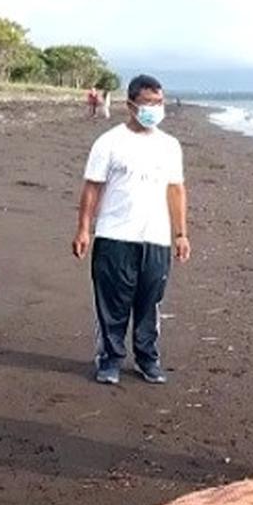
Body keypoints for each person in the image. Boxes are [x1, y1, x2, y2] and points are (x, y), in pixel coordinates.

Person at [72, 74, 190, 385]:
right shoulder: (109, 142)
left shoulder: (169, 146)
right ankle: (110, 358)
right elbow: (92, 188)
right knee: (112, 303)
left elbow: (176, 189)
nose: (155, 109)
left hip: (155, 237)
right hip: (114, 235)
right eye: (148, 103)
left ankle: (147, 358)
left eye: (159, 102)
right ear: (131, 105)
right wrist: (84, 229)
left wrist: (181, 233)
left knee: (149, 302)